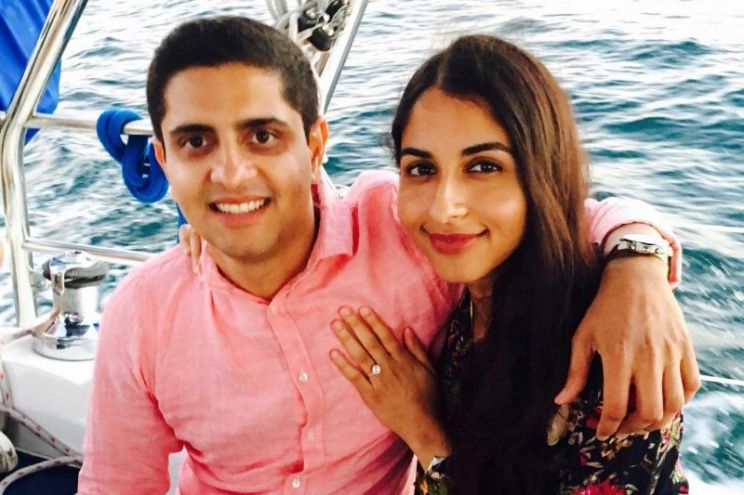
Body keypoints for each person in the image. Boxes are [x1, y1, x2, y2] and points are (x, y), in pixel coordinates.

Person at [79, 16, 697, 494]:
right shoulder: (145, 314)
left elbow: (555, 217)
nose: (232, 173)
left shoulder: (406, 234)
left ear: (314, 146)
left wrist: (636, 266)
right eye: (196, 142)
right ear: (164, 161)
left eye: (262, 135)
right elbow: (116, 483)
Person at [329, 35, 692, 494]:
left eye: (484, 166)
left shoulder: (607, 354)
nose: (444, 208)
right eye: (422, 169)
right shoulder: (471, 288)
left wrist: (425, 434)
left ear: (542, 174)